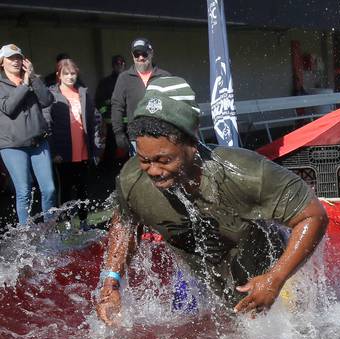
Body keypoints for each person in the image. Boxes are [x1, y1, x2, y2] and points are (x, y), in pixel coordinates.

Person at [95, 77, 328, 324]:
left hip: (279, 280)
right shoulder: (133, 181)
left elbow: (313, 214)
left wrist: (276, 278)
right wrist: (112, 280)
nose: (153, 171)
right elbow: (126, 221)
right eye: (144, 160)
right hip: (219, 289)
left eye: (164, 160)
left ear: (193, 144)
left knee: (296, 337)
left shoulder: (244, 173)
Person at [0, 44, 57, 225]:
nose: (16, 61)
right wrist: (24, 84)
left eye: (18, 58)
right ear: (2, 62)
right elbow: (8, 107)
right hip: (13, 146)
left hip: (39, 143)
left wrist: (32, 77)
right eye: (11, 58)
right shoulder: (1, 85)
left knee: (49, 189)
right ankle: (26, 232)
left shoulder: (32, 80)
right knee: (24, 191)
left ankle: (49, 227)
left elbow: (47, 100)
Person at [48, 58, 103, 228]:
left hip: (83, 150)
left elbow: (95, 120)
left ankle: (84, 222)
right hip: (63, 153)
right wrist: (54, 151)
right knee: (64, 189)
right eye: (66, 73)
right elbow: (47, 124)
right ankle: (65, 223)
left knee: (82, 189)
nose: (70, 77)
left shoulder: (83, 93)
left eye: (73, 73)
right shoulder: (51, 94)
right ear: (59, 75)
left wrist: (96, 148)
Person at [111, 38, 170, 156]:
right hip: (137, 140)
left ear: (151, 53)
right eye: (136, 54)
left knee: (164, 173)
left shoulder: (164, 76)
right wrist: (119, 133)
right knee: (140, 173)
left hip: (163, 137)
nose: (141, 58)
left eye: (144, 53)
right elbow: (117, 106)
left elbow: (174, 105)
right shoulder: (124, 78)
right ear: (132, 56)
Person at [95, 54, 126, 154]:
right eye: (117, 64)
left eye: (122, 64)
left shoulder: (130, 81)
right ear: (113, 66)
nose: (120, 66)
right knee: (111, 149)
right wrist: (106, 114)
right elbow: (99, 101)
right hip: (111, 122)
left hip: (129, 122)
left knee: (129, 149)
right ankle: (110, 169)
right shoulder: (105, 82)